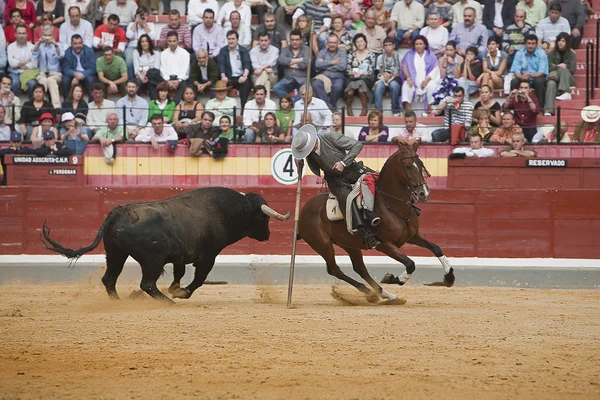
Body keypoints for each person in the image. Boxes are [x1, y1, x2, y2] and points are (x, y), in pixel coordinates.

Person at [291, 123, 382, 249]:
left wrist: (343, 162)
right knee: (346, 199)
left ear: (313, 142)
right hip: (335, 180)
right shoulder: (309, 153)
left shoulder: (331, 137)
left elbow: (357, 145)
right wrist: (299, 163)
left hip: (352, 169)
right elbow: (303, 170)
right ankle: (365, 233)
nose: (308, 152)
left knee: (379, 181)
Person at [401, 35, 440, 115]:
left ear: (425, 45)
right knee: (406, 87)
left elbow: (435, 69)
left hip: (426, 81)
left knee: (432, 86)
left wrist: (426, 81)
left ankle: (430, 112)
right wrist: (408, 78)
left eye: (420, 44)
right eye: (416, 44)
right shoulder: (409, 54)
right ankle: (408, 113)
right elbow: (404, 66)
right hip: (412, 80)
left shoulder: (431, 55)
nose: (418, 46)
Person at [217, 30, 253, 111]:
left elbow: (247, 64)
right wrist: (223, 77)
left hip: (241, 77)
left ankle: (243, 111)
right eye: (229, 39)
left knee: (246, 86)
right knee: (221, 87)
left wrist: (244, 76)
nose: (231, 41)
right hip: (228, 78)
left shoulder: (243, 50)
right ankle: (223, 110)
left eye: (233, 39)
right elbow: (221, 64)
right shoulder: (223, 51)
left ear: (237, 39)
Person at [510, 34, 547, 109]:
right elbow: (516, 72)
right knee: (514, 81)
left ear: (536, 44)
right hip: (523, 78)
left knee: (539, 82)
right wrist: (522, 77)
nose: (530, 46)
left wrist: (532, 76)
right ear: (525, 44)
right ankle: (513, 108)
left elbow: (542, 72)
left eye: (533, 44)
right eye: (529, 43)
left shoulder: (542, 53)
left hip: (536, 78)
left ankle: (539, 109)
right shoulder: (519, 53)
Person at [313, 34, 347, 112]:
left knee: (338, 87)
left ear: (338, 43)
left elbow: (342, 66)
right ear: (327, 43)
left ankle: (330, 106)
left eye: (334, 42)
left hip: (337, 77)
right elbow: (317, 65)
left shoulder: (342, 53)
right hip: (323, 76)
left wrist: (324, 64)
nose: (332, 45)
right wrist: (333, 62)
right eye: (330, 42)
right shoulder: (322, 52)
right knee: (316, 84)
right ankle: (331, 107)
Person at [273, 29, 309, 102]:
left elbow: (305, 64)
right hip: (287, 79)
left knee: (307, 90)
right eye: (292, 40)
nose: (294, 42)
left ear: (301, 40)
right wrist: (299, 60)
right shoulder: (285, 49)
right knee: (276, 88)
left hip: (302, 79)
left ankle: (292, 103)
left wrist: (288, 64)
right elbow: (281, 60)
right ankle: (290, 102)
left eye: (297, 39)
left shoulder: (306, 49)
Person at [345, 33, 377, 117]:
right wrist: (353, 73)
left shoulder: (371, 54)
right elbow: (348, 70)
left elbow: (371, 70)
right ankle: (348, 107)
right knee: (351, 85)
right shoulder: (351, 54)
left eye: (361, 41)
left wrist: (361, 73)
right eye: (357, 42)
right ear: (355, 44)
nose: (359, 43)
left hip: (367, 77)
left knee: (360, 85)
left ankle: (364, 107)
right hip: (353, 77)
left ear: (365, 42)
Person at [545, 32, 576, 115]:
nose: (560, 42)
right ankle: (548, 111)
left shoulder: (571, 54)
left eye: (563, 41)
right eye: (559, 40)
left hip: (568, 78)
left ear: (567, 43)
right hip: (554, 77)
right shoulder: (551, 53)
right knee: (551, 84)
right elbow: (548, 68)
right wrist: (559, 66)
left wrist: (560, 67)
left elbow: (572, 70)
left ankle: (565, 91)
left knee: (563, 69)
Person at [33, 25, 63, 109]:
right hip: (42, 73)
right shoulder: (39, 45)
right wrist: (38, 43)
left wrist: (55, 45)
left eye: (49, 35)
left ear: (53, 36)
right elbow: (34, 54)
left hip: (55, 73)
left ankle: (56, 107)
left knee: (51, 80)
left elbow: (61, 56)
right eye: (45, 35)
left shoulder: (58, 45)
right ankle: (42, 106)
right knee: (43, 81)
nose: (47, 37)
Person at [61, 34, 96, 101]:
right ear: (71, 44)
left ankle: (91, 103)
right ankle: (67, 103)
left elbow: (93, 68)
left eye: (80, 43)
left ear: (83, 43)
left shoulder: (90, 52)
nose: (78, 46)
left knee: (91, 80)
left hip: (86, 74)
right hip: (73, 74)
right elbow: (66, 69)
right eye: (75, 43)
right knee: (64, 80)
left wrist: (82, 74)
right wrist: (75, 74)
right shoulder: (67, 53)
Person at [124, 7, 156, 78]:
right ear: (136, 16)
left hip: (146, 46)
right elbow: (129, 35)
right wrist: (136, 22)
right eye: (141, 15)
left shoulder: (151, 25)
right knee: (129, 60)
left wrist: (144, 25)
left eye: (145, 15)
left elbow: (152, 37)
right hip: (133, 46)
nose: (143, 17)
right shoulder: (131, 24)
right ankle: (131, 80)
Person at [374, 37, 403, 116]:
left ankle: (395, 109)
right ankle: (378, 111)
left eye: (390, 45)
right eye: (386, 45)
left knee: (394, 85)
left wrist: (391, 75)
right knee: (378, 86)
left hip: (395, 78)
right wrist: (384, 75)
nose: (388, 47)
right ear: (383, 47)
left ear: (394, 46)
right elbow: (378, 71)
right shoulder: (380, 57)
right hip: (383, 78)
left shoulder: (399, 56)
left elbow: (402, 72)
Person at [159, 30, 189, 104]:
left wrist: (178, 80)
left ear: (177, 41)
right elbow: (162, 69)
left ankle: (173, 104)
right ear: (167, 41)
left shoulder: (184, 53)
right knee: (160, 85)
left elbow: (185, 69)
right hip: (167, 78)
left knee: (184, 86)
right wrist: (168, 81)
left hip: (180, 78)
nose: (172, 43)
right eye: (170, 41)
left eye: (174, 41)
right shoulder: (163, 54)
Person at [7, 24, 37, 98]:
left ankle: (31, 105)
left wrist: (18, 63)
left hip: (28, 73)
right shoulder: (10, 47)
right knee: (14, 83)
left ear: (27, 34)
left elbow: (34, 64)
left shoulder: (32, 47)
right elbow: (11, 63)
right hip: (14, 72)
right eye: (19, 33)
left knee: (32, 83)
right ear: (15, 34)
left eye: (23, 33)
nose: (21, 35)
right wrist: (27, 61)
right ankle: (14, 104)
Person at [432, 41, 462, 106]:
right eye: (447, 50)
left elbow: (457, 76)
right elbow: (442, 76)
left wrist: (453, 63)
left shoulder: (460, 59)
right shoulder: (441, 59)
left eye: (451, 50)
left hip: (455, 79)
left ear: (455, 50)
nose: (449, 52)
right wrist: (445, 62)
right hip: (445, 79)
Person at [250, 32, 279, 97]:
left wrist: (261, 69)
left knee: (264, 73)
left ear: (269, 41)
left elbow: (271, 62)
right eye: (261, 40)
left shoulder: (275, 50)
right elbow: (255, 65)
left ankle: (256, 95)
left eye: (265, 40)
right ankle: (266, 104)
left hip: (272, 76)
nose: (263, 43)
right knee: (266, 82)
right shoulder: (253, 51)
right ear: (258, 41)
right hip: (257, 76)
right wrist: (265, 69)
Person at [133, 33, 160, 99]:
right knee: (138, 81)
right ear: (140, 43)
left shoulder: (156, 52)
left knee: (151, 81)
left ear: (149, 42)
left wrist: (147, 74)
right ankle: (135, 101)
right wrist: (142, 76)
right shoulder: (136, 52)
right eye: (142, 42)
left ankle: (153, 103)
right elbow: (136, 69)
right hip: (140, 75)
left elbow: (156, 68)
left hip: (152, 76)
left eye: (146, 41)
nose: (144, 43)